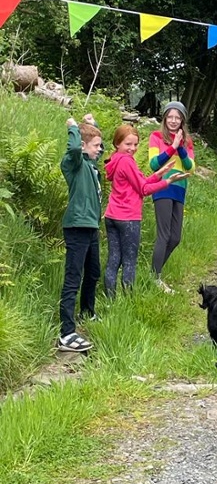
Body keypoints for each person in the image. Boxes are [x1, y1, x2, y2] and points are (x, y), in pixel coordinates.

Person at [104, 125, 189, 297]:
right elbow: (143, 189)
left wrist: (160, 173)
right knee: (129, 261)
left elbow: (138, 181)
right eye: (128, 144)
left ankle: (109, 300)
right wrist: (167, 181)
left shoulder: (115, 159)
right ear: (117, 143)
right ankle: (128, 299)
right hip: (128, 218)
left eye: (135, 145)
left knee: (114, 259)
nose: (133, 149)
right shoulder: (127, 161)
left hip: (112, 215)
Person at [58, 115, 103, 352]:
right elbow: (75, 146)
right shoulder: (73, 163)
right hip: (76, 227)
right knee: (73, 278)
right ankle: (66, 333)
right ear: (84, 146)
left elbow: (95, 148)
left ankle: (87, 312)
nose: (99, 149)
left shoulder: (90, 164)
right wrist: (74, 128)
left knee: (93, 273)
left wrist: (93, 125)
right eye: (95, 145)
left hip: (91, 227)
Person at [148, 102, 195, 293]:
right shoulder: (156, 136)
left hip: (180, 189)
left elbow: (191, 167)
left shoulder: (187, 141)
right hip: (163, 187)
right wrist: (171, 147)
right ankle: (155, 277)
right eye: (170, 117)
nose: (174, 121)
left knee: (175, 237)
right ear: (165, 118)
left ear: (182, 120)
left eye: (177, 117)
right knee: (164, 234)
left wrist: (180, 147)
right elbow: (153, 164)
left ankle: (154, 273)